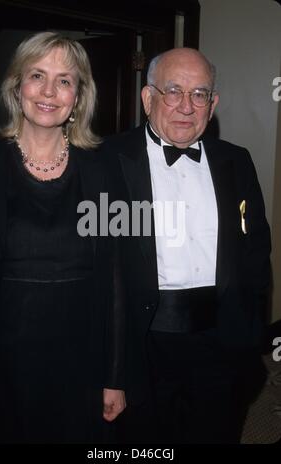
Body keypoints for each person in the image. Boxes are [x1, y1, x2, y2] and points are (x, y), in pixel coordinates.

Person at [105, 48, 271, 444]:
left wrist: (249, 340)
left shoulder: (236, 160)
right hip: (142, 345)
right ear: (148, 99)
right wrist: (108, 371)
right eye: (173, 91)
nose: (186, 106)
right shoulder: (106, 159)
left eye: (199, 94)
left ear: (212, 105)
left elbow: (256, 253)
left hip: (221, 340)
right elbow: (96, 270)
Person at [0, 31, 125, 444]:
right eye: (37, 76)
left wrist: (114, 376)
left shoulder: (103, 172)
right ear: (16, 87)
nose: (49, 91)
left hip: (81, 363)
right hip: (3, 364)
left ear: (78, 96)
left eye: (64, 80)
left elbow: (116, 279)